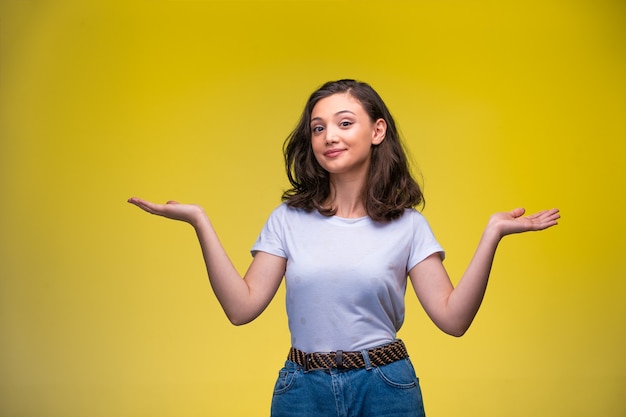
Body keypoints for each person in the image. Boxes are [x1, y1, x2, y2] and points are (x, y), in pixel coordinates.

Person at [128, 79, 560, 417]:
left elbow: (453, 319)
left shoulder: (408, 226)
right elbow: (241, 309)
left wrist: (492, 234)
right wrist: (200, 221)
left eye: (344, 123)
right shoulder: (288, 220)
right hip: (303, 390)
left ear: (377, 130)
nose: (328, 136)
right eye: (318, 128)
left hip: (386, 387)